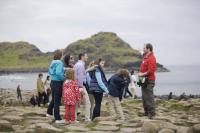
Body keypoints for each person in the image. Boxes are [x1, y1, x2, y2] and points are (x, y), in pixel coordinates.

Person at [46, 50, 65, 124]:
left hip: (52, 82)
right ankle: (57, 118)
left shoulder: (53, 62)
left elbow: (50, 72)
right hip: (58, 83)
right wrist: (64, 78)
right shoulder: (59, 62)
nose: (63, 56)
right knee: (57, 101)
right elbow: (58, 73)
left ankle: (49, 112)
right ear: (60, 56)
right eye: (62, 55)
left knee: (54, 99)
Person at [139, 43, 157, 119]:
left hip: (149, 80)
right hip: (143, 79)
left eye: (144, 48)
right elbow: (142, 53)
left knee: (149, 96)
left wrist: (142, 74)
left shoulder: (152, 58)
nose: (143, 49)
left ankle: (152, 113)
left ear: (148, 49)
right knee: (144, 96)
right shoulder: (145, 56)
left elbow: (151, 70)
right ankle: (146, 112)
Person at [74, 53, 91, 122]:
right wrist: (80, 88)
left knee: (76, 103)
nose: (87, 57)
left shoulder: (77, 64)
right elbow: (80, 77)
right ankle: (87, 119)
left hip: (76, 86)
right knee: (87, 103)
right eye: (86, 56)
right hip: (80, 86)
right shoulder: (81, 65)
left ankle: (74, 118)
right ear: (82, 57)